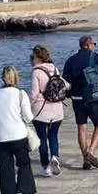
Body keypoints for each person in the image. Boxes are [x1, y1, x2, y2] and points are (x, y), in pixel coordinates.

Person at [0, 65, 38, 194]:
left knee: (5, 167)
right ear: (16, 77)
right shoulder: (20, 94)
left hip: (0, 137)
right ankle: (20, 193)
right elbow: (28, 117)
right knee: (23, 163)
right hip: (18, 135)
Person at [62, 34, 98, 170]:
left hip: (77, 98)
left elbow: (66, 81)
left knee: (81, 127)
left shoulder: (70, 60)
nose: (95, 46)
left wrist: (69, 95)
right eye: (94, 44)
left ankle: (85, 158)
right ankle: (91, 151)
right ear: (87, 45)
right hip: (94, 97)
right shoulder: (97, 58)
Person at [29, 45, 68, 177]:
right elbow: (65, 85)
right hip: (57, 111)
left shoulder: (36, 72)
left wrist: (27, 107)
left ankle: (46, 167)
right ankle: (55, 157)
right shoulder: (55, 69)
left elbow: (34, 94)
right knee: (53, 136)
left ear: (37, 58)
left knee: (42, 138)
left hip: (41, 111)